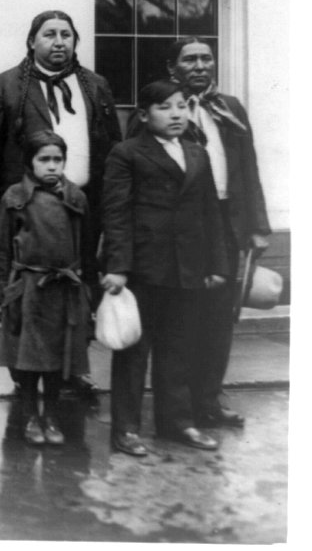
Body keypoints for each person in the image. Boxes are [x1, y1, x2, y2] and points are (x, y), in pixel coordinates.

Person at [0, 10, 121, 399]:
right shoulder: (7, 86)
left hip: (82, 207)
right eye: (49, 34)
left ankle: (72, 365)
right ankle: (24, 369)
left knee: (78, 286)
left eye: (66, 35)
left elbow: (112, 146)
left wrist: (112, 205)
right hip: (28, 209)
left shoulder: (95, 85)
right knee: (25, 291)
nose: (59, 42)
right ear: (32, 41)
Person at [130, 38, 271, 428]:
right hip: (185, 230)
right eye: (189, 60)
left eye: (206, 59)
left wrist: (258, 226)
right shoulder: (161, 111)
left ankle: (209, 399)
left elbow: (248, 168)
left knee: (221, 317)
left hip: (228, 224)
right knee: (183, 317)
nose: (200, 66)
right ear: (172, 67)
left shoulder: (230, 109)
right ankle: (180, 407)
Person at [102, 80, 229, 456]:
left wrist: (216, 264)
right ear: (144, 115)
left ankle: (177, 423)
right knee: (134, 350)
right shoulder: (127, 154)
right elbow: (117, 213)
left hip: (187, 269)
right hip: (144, 268)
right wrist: (118, 266)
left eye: (181, 106)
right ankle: (125, 428)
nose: (176, 114)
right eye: (164, 107)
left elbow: (210, 215)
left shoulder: (197, 153)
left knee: (179, 348)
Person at [0, 131, 93, 446]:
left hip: (64, 290)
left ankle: (52, 416)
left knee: (58, 361)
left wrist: (85, 290)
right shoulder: (15, 197)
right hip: (28, 290)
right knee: (29, 360)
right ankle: (31, 416)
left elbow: (83, 247)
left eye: (57, 160)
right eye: (43, 159)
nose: (51, 166)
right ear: (30, 162)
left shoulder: (75, 197)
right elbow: (3, 252)